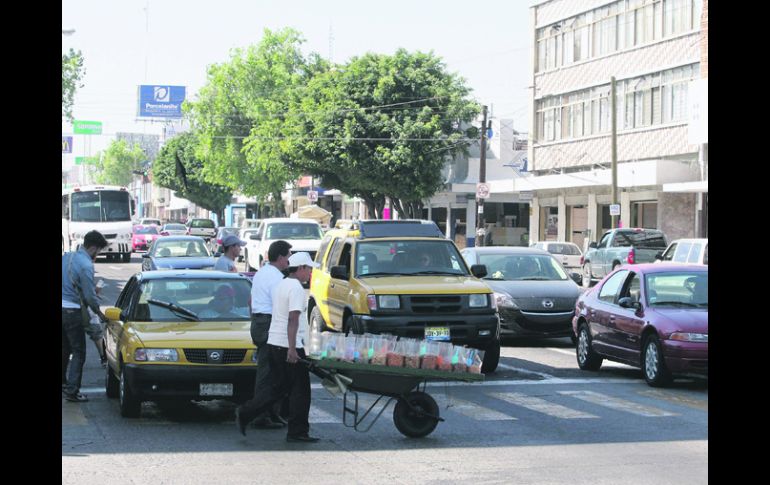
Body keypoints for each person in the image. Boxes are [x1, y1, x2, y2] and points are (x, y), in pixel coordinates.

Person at [235, 252, 320, 443]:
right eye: (309, 269)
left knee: (277, 388)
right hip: (288, 344)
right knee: (300, 390)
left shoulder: (282, 284)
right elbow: (293, 319)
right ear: (300, 269)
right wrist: (292, 348)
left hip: (274, 342)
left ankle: (246, 412)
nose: (310, 274)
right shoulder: (296, 288)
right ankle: (297, 431)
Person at [236, 240, 293, 430]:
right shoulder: (276, 278)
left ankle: (271, 412)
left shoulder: (261, 273)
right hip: (269, 323)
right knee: (269, 372)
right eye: (288, 256)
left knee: (274, 371)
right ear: (280, 257)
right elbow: (280, 305)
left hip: (260, 322)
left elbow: (251, 301)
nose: (289, 260)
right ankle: (259, 414)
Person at [62, 230, 109, 402]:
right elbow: (89, 297)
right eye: (99, 251)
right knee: (79, 352)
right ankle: (73, 391)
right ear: (94, 248)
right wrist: (99, 313)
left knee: (64, 349)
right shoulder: (86, 265)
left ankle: (64, 383)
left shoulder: (67, 257)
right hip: (72, 311)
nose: (98, 255)